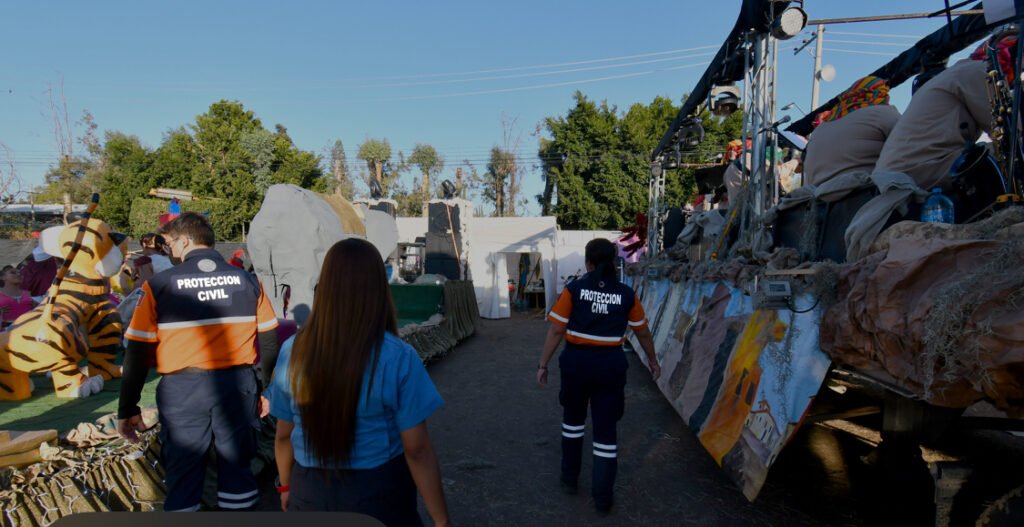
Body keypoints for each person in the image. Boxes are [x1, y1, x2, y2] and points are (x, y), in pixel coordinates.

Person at [268, 238, 450, 526]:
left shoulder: (293, 349)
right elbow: (416, 449)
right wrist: (442, 520)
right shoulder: (399, 356)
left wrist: (287, 487)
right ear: (379, 289)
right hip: (378, 495)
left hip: (309, 491)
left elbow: (282, 435)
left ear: (325, 286)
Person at [117, 212, 281, 512]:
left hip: (183, 389)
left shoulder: (159, 285)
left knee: (182, 476)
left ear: (184, 240)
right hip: (238, 385)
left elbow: (137, 351)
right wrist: (265, 390)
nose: (167, 250)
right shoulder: (248, 280)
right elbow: (269, 341)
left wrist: (128, 408)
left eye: (168, 243)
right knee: (238, 473)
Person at [536, 238, 660, 514]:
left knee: (572, 423)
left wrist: (543, 364)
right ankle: (603, 497)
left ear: (587, 262)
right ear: (613, 261)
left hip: (576, 365)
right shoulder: (626, 294)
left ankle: (569, 479)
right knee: (606, 432)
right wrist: (653, 360)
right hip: (610, 367)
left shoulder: (574, 290)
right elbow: (641, 331)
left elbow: (556, 330)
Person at [803, 75, 900, 187]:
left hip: (818, 199)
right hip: (862, 196)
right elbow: (909, 144)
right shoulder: (882, 112)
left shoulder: (822, 126)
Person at [0, 265, 35, 330]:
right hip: (5, 333)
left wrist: (37, 307)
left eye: (20, 273)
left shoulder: (28, 293)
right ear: (2, 277)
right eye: (13, 272)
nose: (18, 274)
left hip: (28, 329)